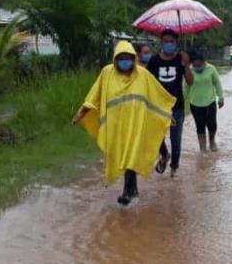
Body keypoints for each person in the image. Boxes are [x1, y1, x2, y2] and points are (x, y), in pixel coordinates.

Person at [71, 41, 176, 205]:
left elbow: (157, 97)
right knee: (122, 156)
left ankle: (127, 193)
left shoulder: (143, 74)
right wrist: (81, 113)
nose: (125, 62)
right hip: (116, 125)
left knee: (130, 156)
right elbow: (94, 96)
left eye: (128, 58)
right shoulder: (107, 73)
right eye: (121, 58)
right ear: (115, 59)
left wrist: (168, 116)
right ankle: (133, 191)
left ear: (134, 59)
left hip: (136, 123)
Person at [146, 29, 194, 178]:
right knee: (157, 137)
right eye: (166, 41)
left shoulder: (181, 60)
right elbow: (147, 82)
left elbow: (190, 81)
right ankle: (164, 155)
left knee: (176, 139)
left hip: (177, 106)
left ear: (176, 43)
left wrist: (186, 65)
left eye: (171, 42)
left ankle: (174, 170)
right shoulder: (154, 61)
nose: (169, 44)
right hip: (158, 106)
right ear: (161, 43)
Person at [185, 50, 224, 153]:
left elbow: (217, 84)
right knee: (200, 125)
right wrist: (181, 101)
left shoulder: (211, 69)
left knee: (212, 124)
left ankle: (212, 141)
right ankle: (202, 147)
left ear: (203, 61)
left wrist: (221, 98)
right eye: (194, 63)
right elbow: (185, 87)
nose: (197, 66)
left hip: (210, 101)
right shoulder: (189, 71)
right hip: (195, 103)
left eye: (199, 63)